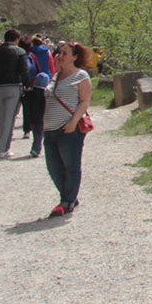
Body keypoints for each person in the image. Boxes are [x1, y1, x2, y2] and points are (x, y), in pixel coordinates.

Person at [42, 41, 93, 216]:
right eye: (60, 52)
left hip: (69, 129)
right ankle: (70, 196)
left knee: (71, 166)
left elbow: (84, 102)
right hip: (49, 129)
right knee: (53, 168)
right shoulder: (56, 76)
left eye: (65, 53)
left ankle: (67, 201)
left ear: (74, 57)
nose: (60, 56)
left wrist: (73, 122)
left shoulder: (81, 76)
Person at [0, 29, 31, 160]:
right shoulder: (19, 52)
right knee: (9, 118)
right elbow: (24, 70)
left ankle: (1, 141)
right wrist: (27, 84)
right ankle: (3, 149)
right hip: (13, 86)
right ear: (16, 39)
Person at [20, 67, 49, 159]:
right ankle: (36, 149)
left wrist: (24, 93)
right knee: (40, 134)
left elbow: (23, 100)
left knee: (36, 134)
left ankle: (36, 148)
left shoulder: (31, 93)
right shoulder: (46, 95)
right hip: (41, 119)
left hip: (32, 118)